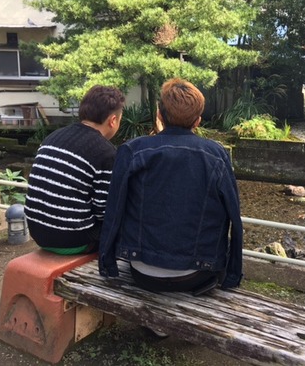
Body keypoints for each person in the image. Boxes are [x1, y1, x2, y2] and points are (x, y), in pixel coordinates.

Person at [99, 78, 243, 295]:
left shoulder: (132, 150)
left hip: (141, 271)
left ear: (159, 115)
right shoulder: (216, 155)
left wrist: (107, 263)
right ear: (197, 121)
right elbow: (234, 216)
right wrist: (232, 276)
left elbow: (114, 210)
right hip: (195, 274)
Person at [25, 85, 126, 254]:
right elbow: (104, 212)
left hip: (38, 232)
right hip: (72, 239)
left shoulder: (52, 137)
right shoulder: (106, 153)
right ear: (113, 120)